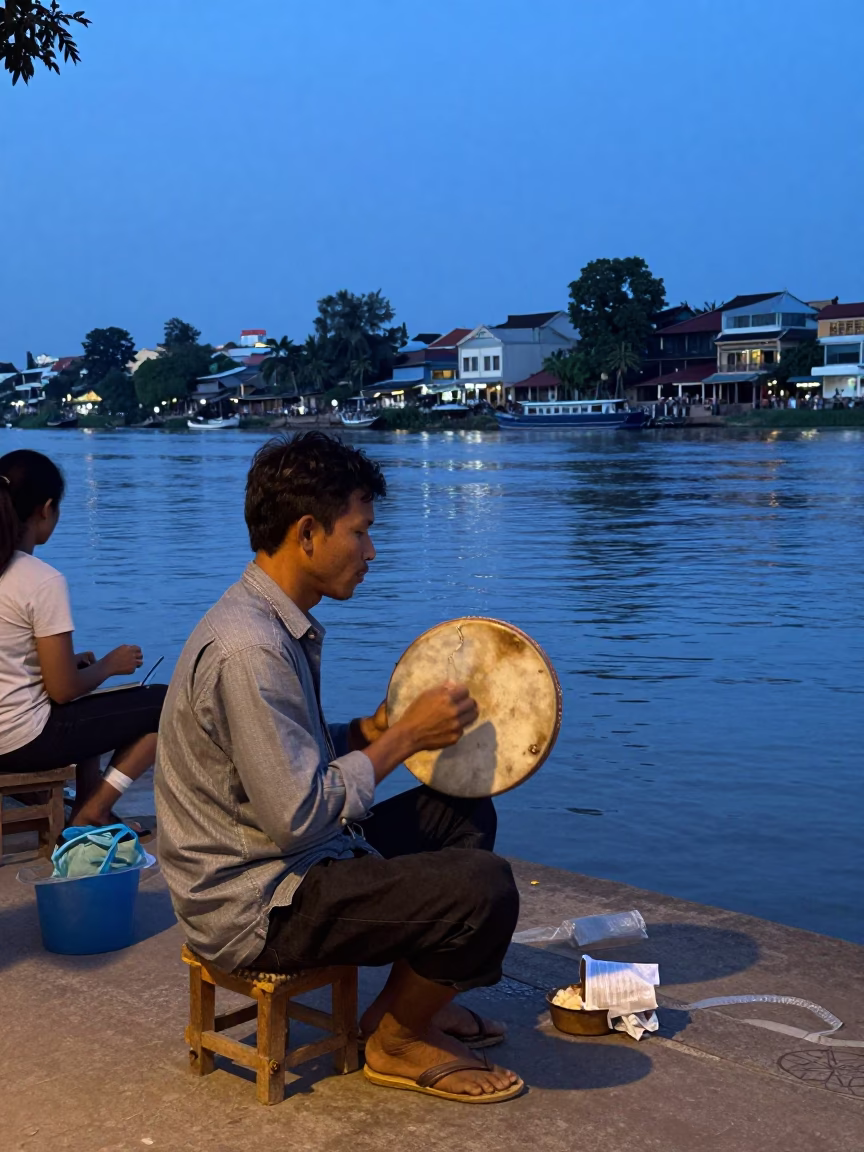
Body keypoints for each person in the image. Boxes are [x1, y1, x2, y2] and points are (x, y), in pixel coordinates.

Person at [155, 432, 523, 1104]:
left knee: (459, 809)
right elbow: (296, 815)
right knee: (485, 890)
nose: (371, 552)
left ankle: (409, 1010)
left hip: (294, 862)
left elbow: (281, 750)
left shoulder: (270, 622)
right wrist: (402, 739)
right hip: (256, 905)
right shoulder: (250, 647)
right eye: (360, 532)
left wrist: (366, 732)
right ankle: (395, 1043)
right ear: (306, 534)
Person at [0, 449, 166, 829]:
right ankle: (94, 810)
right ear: (46, 509)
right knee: (170, 703)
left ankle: (87, 806)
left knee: (90, 702)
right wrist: (111, 665)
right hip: (20, 740)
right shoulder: (40, 580)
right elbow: (62, 691)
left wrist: (70, 667)